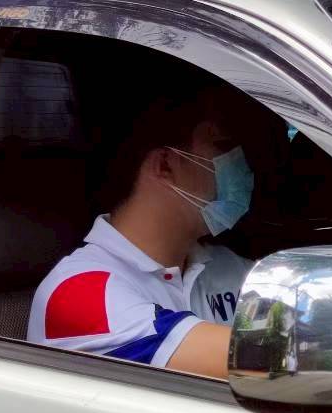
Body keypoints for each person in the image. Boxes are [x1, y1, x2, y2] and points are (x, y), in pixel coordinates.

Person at [27, 72, 267, 380]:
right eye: (223, 145)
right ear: (165, 165)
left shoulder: (231, 268)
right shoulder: (78, 294)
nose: (243, 164)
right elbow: (275, 363)